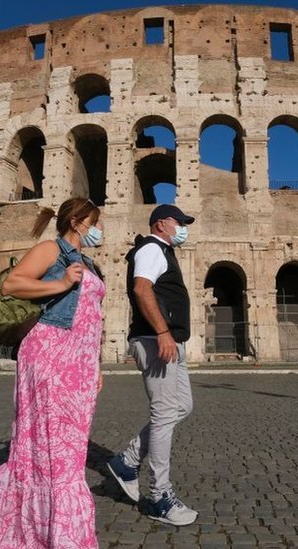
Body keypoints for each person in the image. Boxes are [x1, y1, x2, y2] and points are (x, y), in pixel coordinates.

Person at [0, 197, 106, 548]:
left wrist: (96, 364)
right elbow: (12, 285)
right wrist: (60, 284)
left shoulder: (88, 262)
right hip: (49, 354)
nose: (97, 230)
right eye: (93, 222)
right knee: (53, 443)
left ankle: (50, 522)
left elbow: (92, 319)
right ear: (76, 222)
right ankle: (60, 532)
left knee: (72, 446)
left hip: (79, 362)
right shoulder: (52, 249)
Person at [107, 204, 198, 527]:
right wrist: (161, 332)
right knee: (163, 413)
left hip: (169, 342)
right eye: (180, 222)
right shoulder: (151, 249)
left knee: (182, 406)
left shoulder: (163, 251)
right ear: (161, 224)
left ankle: (126, 461)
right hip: (155, 340)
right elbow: (142, 289)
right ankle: (160, 497)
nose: (184, 227)